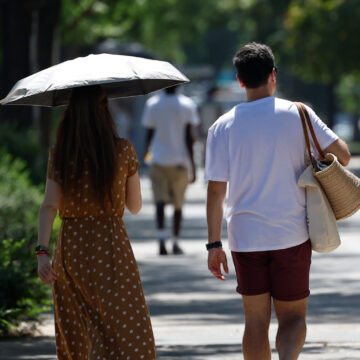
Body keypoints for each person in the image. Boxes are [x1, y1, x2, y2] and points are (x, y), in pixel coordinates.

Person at [205, 42, 351, 360]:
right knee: (294, 316)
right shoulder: (298, 114)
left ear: (240, 80)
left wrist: (213, 244)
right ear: (274, 75)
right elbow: (343, 155)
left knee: (255, 321)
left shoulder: (221, 127)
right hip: (292, 234)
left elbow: (216, 192)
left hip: (245, 238)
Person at [36, 85, 156, 360]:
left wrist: (42, 253)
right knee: (123, 326)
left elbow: (49, 205)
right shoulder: (123, 150)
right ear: (105, 111)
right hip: (111, 245)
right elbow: (135, 207)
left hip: (72, 248)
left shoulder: (61, 154)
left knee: (78, 329)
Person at [142, 85, 200, 255]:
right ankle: (175, 241)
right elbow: (189, 137)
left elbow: (149, 133)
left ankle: (161, 238)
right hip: (180, 162)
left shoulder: (153, 104)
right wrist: (193, 167)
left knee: (159, 202)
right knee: (178, 205)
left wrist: (146, 155)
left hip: (158, 160)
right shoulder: (187, 104)